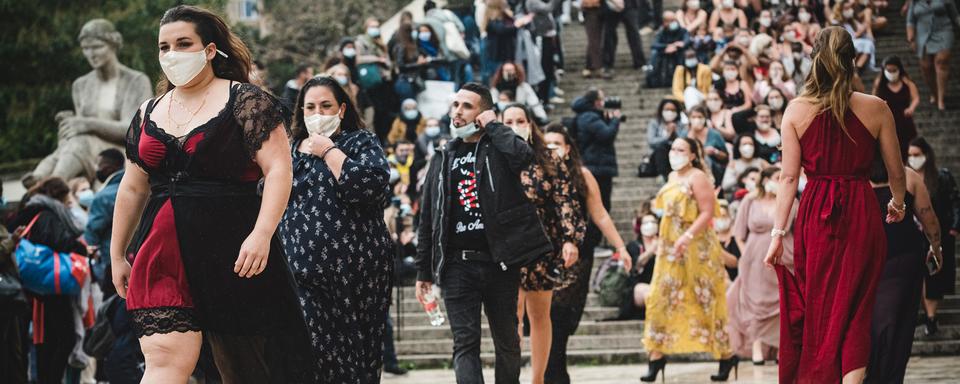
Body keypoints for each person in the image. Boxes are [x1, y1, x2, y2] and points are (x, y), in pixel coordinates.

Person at [111, 5, 312, 382]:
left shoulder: (247, 101)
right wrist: (117, 253)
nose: (172, 54)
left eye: (183, 43)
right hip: (161, 251)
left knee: (248, 368)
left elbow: (278, 170)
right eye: (164, 46)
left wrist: (262, 233)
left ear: (209, 50)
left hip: (233, 248)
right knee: (164, 361)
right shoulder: (147, 112)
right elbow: (133, 186)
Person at [764, 27, 907, 383]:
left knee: (822, 307)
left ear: (814, 61)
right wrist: (899, 203)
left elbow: (787, 179)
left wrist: (777, 233)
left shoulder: (796, 110)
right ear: (851, 59)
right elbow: (896, 170)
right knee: (858, 309)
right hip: (862, 210)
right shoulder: (876, 107)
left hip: (816, 214)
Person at [415, 83, 552, 384]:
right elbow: (428, 220)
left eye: (467, 106)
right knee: (465, 344)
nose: (458, 112)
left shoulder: (498, 148)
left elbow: (524, 156)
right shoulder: (442, 155)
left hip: (498, 261)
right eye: (455, 105)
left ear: (482, 113)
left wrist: (494, 125)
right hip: (456, 266)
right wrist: (424, 271)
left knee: (507, 342)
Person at [279, 76, 393, 383]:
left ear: (341, 109)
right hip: (302, 272)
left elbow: (369, 187)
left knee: (360, 356)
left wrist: (330, 152)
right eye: (310, 107)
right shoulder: (287, 152)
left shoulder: (361, 143)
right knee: (311, 348)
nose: (318, 113)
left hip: (359, 274)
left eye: (326, 106)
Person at [541, 123, 631, 384]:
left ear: (568, 148)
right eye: (546, 144)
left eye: (556, 143)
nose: (551, 149)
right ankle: (553, 373)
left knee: (564, 315)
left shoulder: (582, 175)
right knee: (548, 314)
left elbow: (600, 214)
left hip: (577, 254)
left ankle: (556, 370)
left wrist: (621, 246)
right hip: (543, 254)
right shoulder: (535, 175)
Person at [501, 105, 585, 384]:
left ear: (530, 123)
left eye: (520, 120)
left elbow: (565, 200)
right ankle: (510, 376)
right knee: (512, 317)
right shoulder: (492, 156)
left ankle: (538, 379)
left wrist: (570, 239)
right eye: (508, 121)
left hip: (541, 244)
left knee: (540, 314)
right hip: (506, 245)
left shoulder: (547, 158)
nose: (515, 125)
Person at [640, 137, 736, 382]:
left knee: (706, 300)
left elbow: (707, 213)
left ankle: (726, 355)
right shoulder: (672, 178)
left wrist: (687, 236)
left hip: (697, 247)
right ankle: (656, 356)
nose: (675, 153)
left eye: (681, 149)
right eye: (673, 149)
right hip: (669, 247)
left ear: (693, 154)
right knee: (660, 297)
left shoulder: (698, 177)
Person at [23, 19, 153, 188]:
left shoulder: (136, 81)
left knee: (79, 143)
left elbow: (134, 130)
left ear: (113, 44)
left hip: (118, 154)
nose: (91, 54)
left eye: (97, 47)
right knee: (71, 144)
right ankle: (40, 178)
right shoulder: (80, 85)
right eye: (85, 48)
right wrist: (69, 126)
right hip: (84, 151)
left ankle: (54, 182)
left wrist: (87, 124)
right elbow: (80, 129)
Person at [866, 155, 942, 383]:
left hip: (896, 259)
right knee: (895, 324)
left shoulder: (854, 175)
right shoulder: (908, 176)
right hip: (892, 257)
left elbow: (928, 217)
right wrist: (936, 248)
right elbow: (928, 217)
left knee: (891, 323)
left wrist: (935, 248)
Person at [9, 177, 90, 384]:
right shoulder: (46, 215)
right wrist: (84, 250)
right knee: (61, 339)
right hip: (48, 288)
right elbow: (60, 241)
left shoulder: (31, 211)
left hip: (35, 287)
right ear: (60, 196)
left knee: (46, 339)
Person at [83, 149, 143, 383]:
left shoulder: (105, 196)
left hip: (115, 269)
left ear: (108, 167)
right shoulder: (148, 186)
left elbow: (91, 239)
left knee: (115, 324)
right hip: (142, 262)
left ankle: (108, 374)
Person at [727, 167, 797, 365]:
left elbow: (797, 228)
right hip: (753, 261)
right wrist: (745, 255)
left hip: (783, 258)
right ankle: (757, 344)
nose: (780, 180)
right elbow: (739, 233)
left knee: (781, 303)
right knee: (756, 303)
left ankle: (779, 347)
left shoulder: (791, 201)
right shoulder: (749, 201)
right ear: (765, 179)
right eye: (776, 177)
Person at [907, 137, 960, 336]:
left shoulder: (941, 177)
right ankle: (923, 315)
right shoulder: (904, 177)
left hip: (937, 235)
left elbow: (955, 201)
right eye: (910, 155)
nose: (913, 159)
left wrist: (955, 226)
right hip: (913, 236)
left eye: (917, 155)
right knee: (918, 276)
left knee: (933, 276)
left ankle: (931, 317)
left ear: (926, 155)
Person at [572, 89, 621, 211]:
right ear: (595, 102)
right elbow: (606, 135)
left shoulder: (587, 115)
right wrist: (615, 120)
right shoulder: (589, 117)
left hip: (595, 164)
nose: (604, 102)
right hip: (596, 166)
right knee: (602, 205)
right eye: (601, 99)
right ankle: (595, 230)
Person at [906, 0, 959, 111]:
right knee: (926, 67)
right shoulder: (914, 2)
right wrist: (911, 38)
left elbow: (955, 16)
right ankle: (934, 93)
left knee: (941, 62)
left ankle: (941, 99)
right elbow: (910, 21)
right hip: (922, 35)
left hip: (944, 31)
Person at [873, 56, 919, 159]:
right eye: (889, 70)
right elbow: (874, 99)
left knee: (907, 149)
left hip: (905, 121)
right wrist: (880, 103)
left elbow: (916, 98)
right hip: (887, 121)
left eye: (894, 70)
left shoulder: (907, 82)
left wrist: (911, 108)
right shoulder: (880, 83)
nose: (891, 73)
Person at [682, 106, 728, 187]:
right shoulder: (684, 134)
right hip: (689, 168)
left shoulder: (714, 134)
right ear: (689, 119)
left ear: (705, 118)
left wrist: (714, 152)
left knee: (705, 159)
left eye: (700, 117)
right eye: (693, 117)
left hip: (713, 169)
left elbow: (725, 157)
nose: (697, 120)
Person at [601, 0, 646, 79]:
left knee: (634, 34)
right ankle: (608, 64)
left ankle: (640, 62)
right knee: (609, 35)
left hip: (630, 4)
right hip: (610, 5)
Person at [647, 12, 691, 88]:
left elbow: (687, 41)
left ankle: (685, 78)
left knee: (687, 53)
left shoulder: (682, 30)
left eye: (674, 20)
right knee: (655, 53)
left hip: (679, 52)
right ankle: (654, 79)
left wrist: (678, 45)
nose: (674, 22)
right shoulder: (661, 32)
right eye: (670, 20)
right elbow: (654, 44)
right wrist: (667, 46)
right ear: (664, 22)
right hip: (665, 52)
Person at [580, 0, 604, 78]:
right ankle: (596, 66)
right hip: (592, 7)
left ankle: (591, 65)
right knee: (594, 39)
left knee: (596, 39)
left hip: (604, 6)